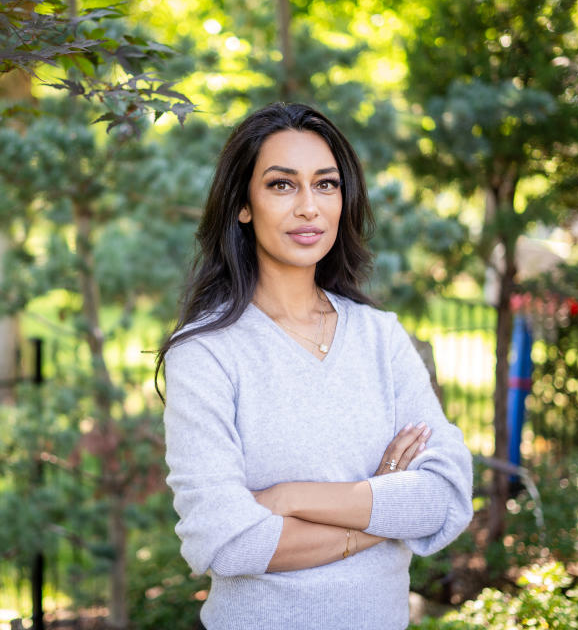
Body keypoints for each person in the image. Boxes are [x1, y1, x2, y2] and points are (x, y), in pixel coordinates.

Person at [156, 103, 473, 630]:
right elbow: (225, 540)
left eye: (326, 185)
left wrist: (290, 498)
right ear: (243, 205)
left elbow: (445, 498)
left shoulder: (380, 337)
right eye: (283, 185)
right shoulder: (207, 352)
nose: (309, 207)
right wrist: (378, 513)